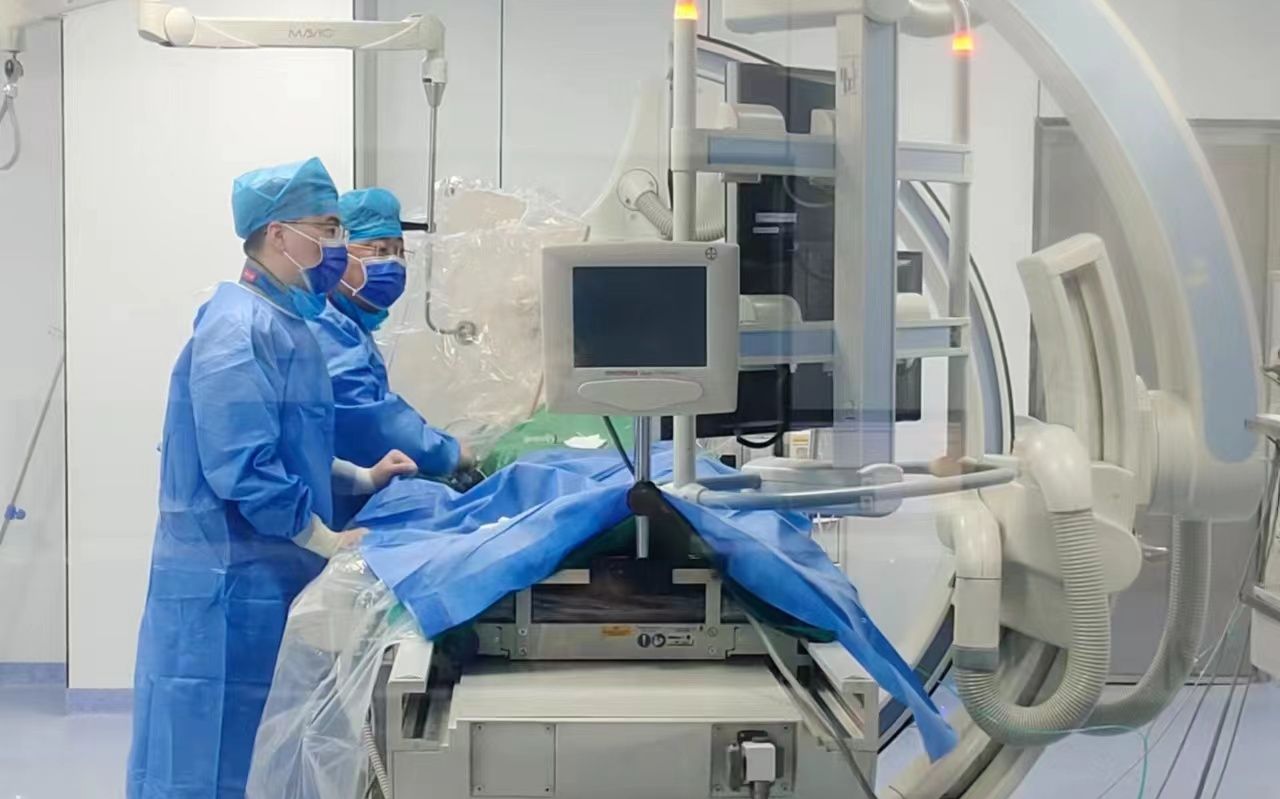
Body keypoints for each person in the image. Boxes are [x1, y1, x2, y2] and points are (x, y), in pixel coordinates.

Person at [126, 158, 418, 799]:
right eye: (329, 229)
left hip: (266, 574)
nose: (338, 247)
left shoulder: (287, 324)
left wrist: (362, 476)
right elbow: (244, 468)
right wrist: (323, 539)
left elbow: (294, 446)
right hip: (224, 586)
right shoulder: (235, 330)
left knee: (264, 752)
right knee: (211, 756)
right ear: (280, 235)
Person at [307, 186, 471, 478]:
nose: (393, 263)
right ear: (337, 254)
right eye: (380, 250)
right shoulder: (324, 326)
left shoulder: (349, 323)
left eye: (399, 251)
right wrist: (449, 452)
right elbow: (369, 419)